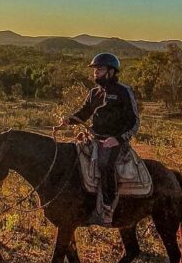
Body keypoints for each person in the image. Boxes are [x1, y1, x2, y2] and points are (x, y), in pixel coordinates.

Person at [56, 52, 140, 225]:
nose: (95, 73)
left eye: (99, 69)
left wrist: (118, 139)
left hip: (114, 140)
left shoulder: (124, 92)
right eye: (94, 70)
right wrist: (68, 121)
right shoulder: (94, 93)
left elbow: (134, 121)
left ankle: (108, 208)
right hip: (94, 137)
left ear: (111, 71)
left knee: (104, 165)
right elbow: (84, 112)